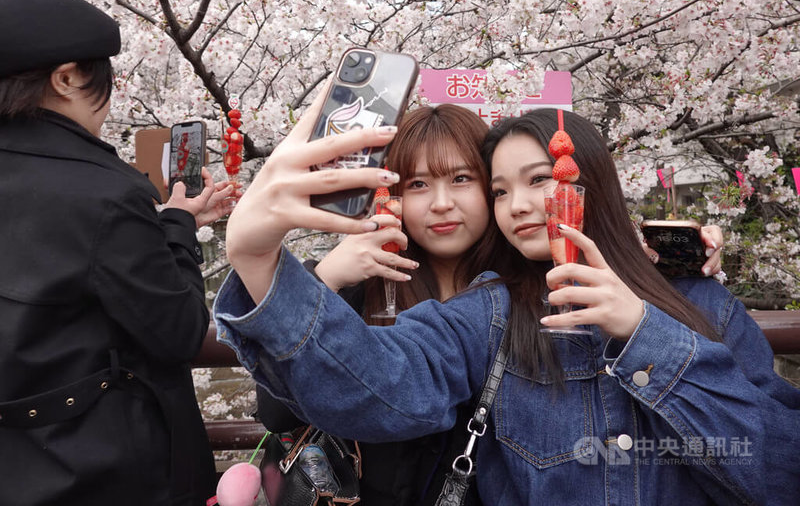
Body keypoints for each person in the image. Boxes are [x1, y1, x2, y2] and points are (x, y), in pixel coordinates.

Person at [216, 82, 800, 504]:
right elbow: (379, 378)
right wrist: (260, 258)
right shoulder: (489, 312)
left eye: (540, 179)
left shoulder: (703, 303)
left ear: (590, 181)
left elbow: (778, 469)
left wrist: (649, 332)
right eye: (501, 189)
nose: (518, 204)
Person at [0, 0, 233, 506]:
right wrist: (175, 227)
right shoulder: (106, 192)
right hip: (102, 469)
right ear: (65, 79)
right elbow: (177, 332)